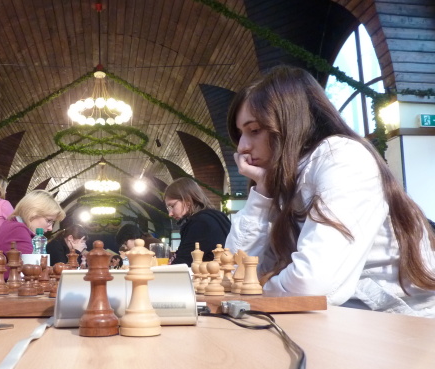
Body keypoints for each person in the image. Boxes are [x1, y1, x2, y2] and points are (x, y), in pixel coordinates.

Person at [225, 66, 435, 316]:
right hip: (350, 318)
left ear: (290, 122)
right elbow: (233, 270)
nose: (242, 147)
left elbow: (311, 286)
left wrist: (257, 287)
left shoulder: (342, 158)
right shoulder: (285, 182)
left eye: (254, 130)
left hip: (406, 323)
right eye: (240, 134)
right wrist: (263, 193)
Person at [0, 190, 65, 282]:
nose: (50, 228)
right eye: (49, 221)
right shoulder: (17, 229)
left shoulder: (14, 225)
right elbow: (33, 271)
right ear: (33, 213)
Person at [164, 178, 231, 266]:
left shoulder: (201, 223)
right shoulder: (217, 217)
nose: (170, 214)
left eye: (172, 206)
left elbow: (182, 263)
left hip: (209, 273)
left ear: (187, 199)